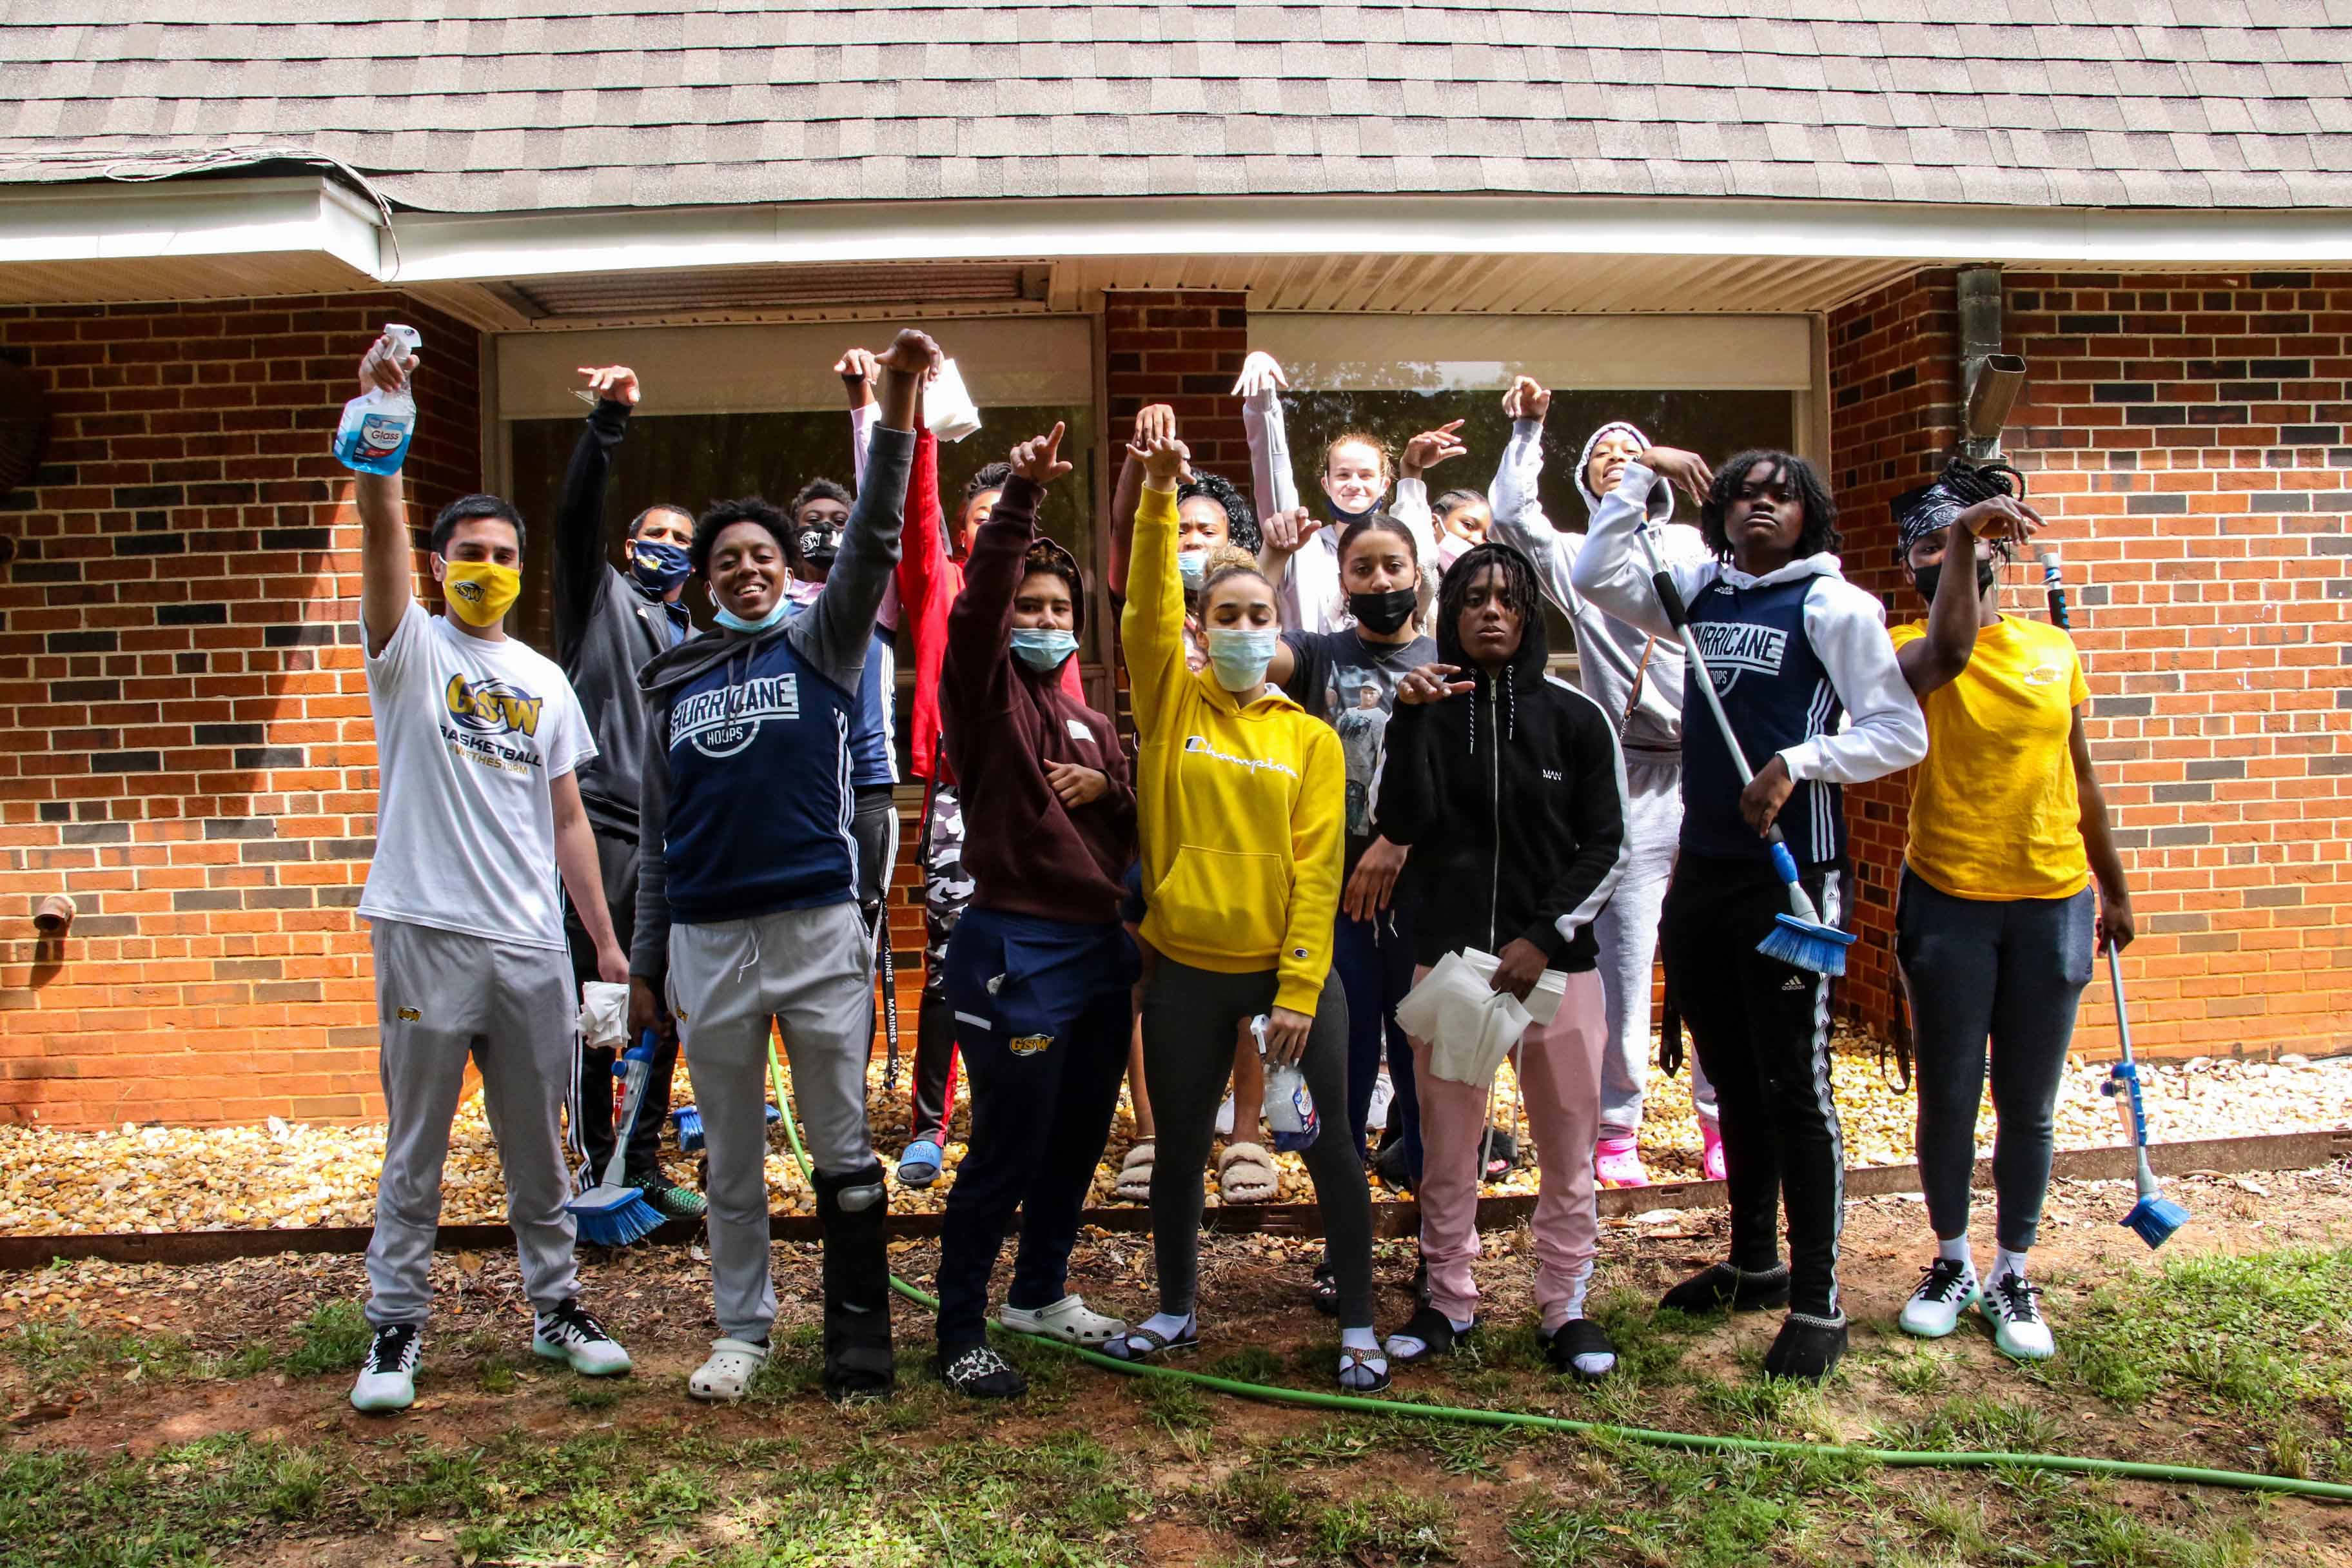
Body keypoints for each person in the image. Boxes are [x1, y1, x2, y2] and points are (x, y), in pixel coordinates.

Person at [1571, 443, 1927, 1382]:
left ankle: (1819, 1299)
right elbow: (1596, 573)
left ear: (1810, 513)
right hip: (1705, 872)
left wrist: (1798, 763)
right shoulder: (1700, 589)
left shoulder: (1834, 605)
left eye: (1781, 495)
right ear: (1719, 510)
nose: (1760, 506)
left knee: (1795, 1086)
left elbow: (1900, 731)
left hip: (1792, 879)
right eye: (1742, 494)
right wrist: (1640, 475)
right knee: (1730, 1071)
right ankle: (1755, 1263)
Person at [629, 327, 937, 1404]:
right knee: (728, 1155)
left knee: (842, 1146)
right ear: (704, 580)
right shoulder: (673, 680)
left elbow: (875, 536)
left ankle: (858, 1343)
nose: (748, 568)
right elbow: (659, 838)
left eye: (763, 555)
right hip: (706, 939)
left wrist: (897, 402)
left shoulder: (824, 644)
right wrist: (645, 963)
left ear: (784, 569)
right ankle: (742, 1333)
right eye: (728, 560)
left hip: (814, 928)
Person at [344, 333, 632, 1413]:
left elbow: (566, 818)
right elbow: (379, 530)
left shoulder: (547, 680)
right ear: (439, 564)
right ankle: (394, 1329)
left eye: (505, 555)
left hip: (529, 945)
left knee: (539, 1149)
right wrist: (387, 434)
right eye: (469, 552)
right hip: (425, 929)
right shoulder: (409, 649)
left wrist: (603, 942)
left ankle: (557, 1309)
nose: (490, 568)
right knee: (415, 1145)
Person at [1113, 428, 1385, 1392]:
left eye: (1258, 617)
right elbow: (1144, 607)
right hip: (1188, 969)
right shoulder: (1170, 706)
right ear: (1200, 628)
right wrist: (1158, 493)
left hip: (1288, 977)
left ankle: (1360, 1324)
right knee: (1182, 1147)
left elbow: (1318, 872)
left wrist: (1301, 989)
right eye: (1224, 615)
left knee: (1333, 1149)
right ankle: (1175, 1308)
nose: (1241, 629)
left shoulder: (1310, 739)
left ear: (1279, 630)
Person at [1888, 460, 2133, 1362]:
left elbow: (2083, 776)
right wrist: (1959, 537)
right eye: (1922, 547)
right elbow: (1948, 654)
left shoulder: (2053, 650)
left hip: (2052, 898)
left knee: (2028, 1104)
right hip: (1949, 896)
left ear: (2000, 552)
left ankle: (2012, 1272)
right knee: (1950, 1094)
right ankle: (1951, 1262)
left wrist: (2115, 885)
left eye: (1952, 540)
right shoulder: (1904, 643)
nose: (1938, 556)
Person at [1375, 542, 1629, 1378]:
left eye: (1508, 599)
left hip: (1558, 971)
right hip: (1452, 968)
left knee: (1568, 1146)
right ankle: (1448, 1298)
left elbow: (1610, 845)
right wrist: (1409, 719)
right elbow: (1400, 823)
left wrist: (1544, 934)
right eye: (1475, 598)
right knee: (1448, 1149)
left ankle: (1566, 1306)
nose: (1491, 611)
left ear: (1530, 614)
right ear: (1450, 613)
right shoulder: (1427, 711)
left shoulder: (1577, 718)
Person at [930, 422, 1139, 1398]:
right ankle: (960, 1328)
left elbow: (1134, 831)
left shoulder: (1095, 722)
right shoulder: (985, 699)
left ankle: (1041, 1291)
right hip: (1015, 946)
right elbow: (974, 611)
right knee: (1007, 1147)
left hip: (1101, 949)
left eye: (1060, 607)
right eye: (1030, 604)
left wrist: (1112, 789)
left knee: (1080, 1133)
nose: (1045, 618)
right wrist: (1018, 501)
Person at [1485, 378, 1725, 1188]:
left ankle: (1720, 1118)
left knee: (1712, 953)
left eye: (1634, 451)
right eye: (1604, 457)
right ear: (1589, 481)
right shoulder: (1580, 558)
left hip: (1711, 768)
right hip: (1633, 773)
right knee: (1627, 959)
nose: (1620, 460)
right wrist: (1528, 429)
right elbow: (1513, 514)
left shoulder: (1695, 546)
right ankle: (1619, 1126)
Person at [1260, 508, 1436, 1308]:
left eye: (1393, 565)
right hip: (1337, 899)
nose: (1380, 580)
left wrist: (1398, 840)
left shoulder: (1446, 657)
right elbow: (1244, 646)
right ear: (1343, 580)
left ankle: (1439, 1244)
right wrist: (1272, 557)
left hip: (1422, 897)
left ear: (1417, 574)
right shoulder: (1322, 655)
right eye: (1363, 567)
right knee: (1345, 1071)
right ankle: (1346, 1246)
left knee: (1426, 1075)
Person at [548, 363, 705, 1222]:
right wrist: (606, 424)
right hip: (605, 829)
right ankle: (593, 1166)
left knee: (660, 1007)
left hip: (676, 843)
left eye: (683, 537)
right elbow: (575, 520)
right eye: (655, 533)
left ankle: (640, 1162)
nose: (668, 545)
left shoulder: (699, 638)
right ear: (628, 546)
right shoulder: (599, 603)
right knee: (601, 1003)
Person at [1231, 351, 1438, 634]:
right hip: (1314, 662)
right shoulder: (1305, 547)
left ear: (1385, 485)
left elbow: (1424, 565)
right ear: (1326, 484)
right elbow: (1273, 482)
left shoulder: (1397, 554)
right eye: (1343, 475)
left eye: (1366, 475)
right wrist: (1262, 403)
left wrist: (1412, 479)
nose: (1354, 483)